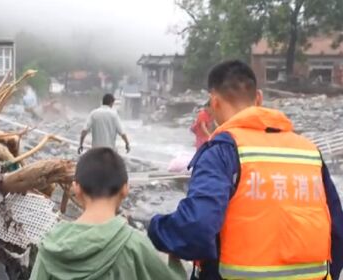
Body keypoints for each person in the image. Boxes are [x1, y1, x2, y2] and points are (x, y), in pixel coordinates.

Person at [147, 60, 343, 280]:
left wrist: (155, 228)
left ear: (214, 102)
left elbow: (196, 229)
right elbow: (337, 231)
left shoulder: (222, 151)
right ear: (258, 98)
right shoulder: (308, 151)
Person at [30, 148, 186, 280]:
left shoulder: (51, 245)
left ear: (76, 188)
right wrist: (174, 258)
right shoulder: (134, 245)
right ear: (125, 189)